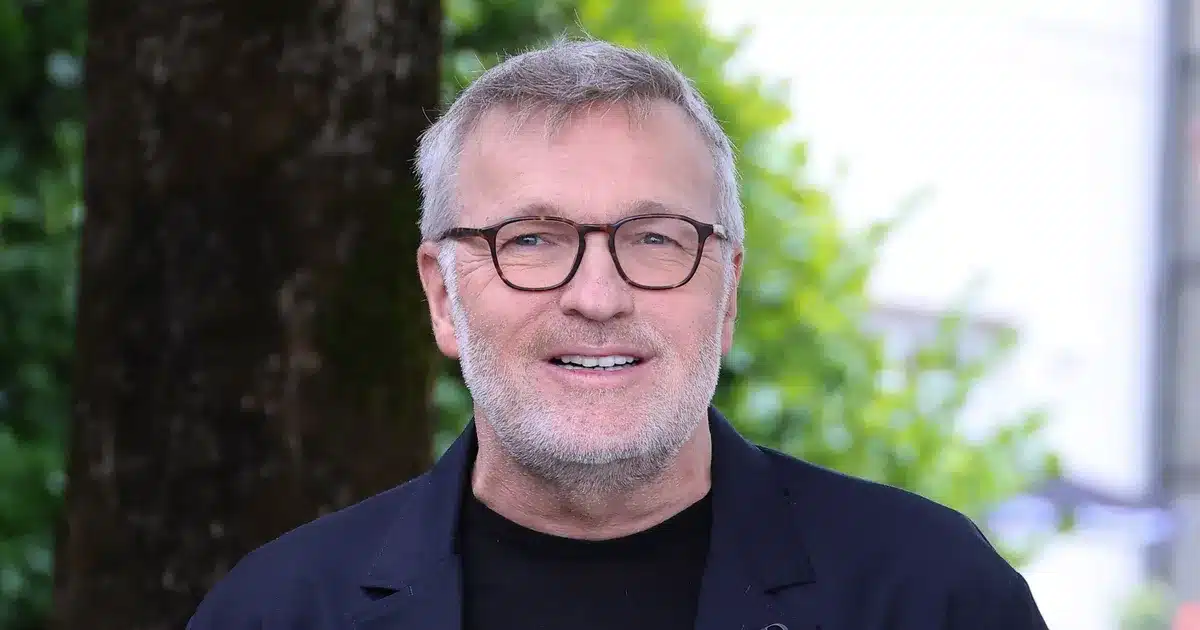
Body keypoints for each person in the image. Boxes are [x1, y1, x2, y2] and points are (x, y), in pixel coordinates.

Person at [187, 38, 1049, 630]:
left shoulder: (928, 599)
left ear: (727, 291)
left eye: (653, 238)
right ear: (442, 298)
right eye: (530, 239)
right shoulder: (280, 612)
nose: (597, 295)